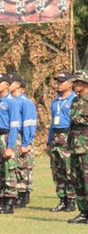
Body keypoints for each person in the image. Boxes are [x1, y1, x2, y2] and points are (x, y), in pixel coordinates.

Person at [0, 73, 21, 214]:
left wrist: (10, 146)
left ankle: (9, 203)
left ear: (7, 85)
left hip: (6, 136)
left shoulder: (11, 102)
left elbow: (14, 125)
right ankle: (1, 201)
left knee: (9, 170)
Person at [48, 72, 77, 212]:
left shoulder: (74, 99)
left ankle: (71, 200)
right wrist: (49, 142)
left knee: (69, 169)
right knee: (57, 170)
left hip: (68, 136)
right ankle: (62, 198)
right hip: (55, 136)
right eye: (58, 81)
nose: (58, 84)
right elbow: (52, 123)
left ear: (70, 83)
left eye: (62, 81)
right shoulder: (55, 101)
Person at [9, 74, 37, 207]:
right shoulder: (9, 101)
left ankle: (24, 194)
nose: (8, 84)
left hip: (22, 135)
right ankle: (16, 193)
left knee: (24, 166)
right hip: (13, 135)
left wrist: (26, 142)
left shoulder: (26, 102)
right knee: (13, 166)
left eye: (11, 82)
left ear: (18, 85)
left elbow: (29, 123)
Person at [67, 70, 88, 223]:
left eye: (77, 82)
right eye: (73, 82)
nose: (74, 85)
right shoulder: (75, 101)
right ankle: (83, 212)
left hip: (86, 145)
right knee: (77, 179)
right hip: (75, 144)